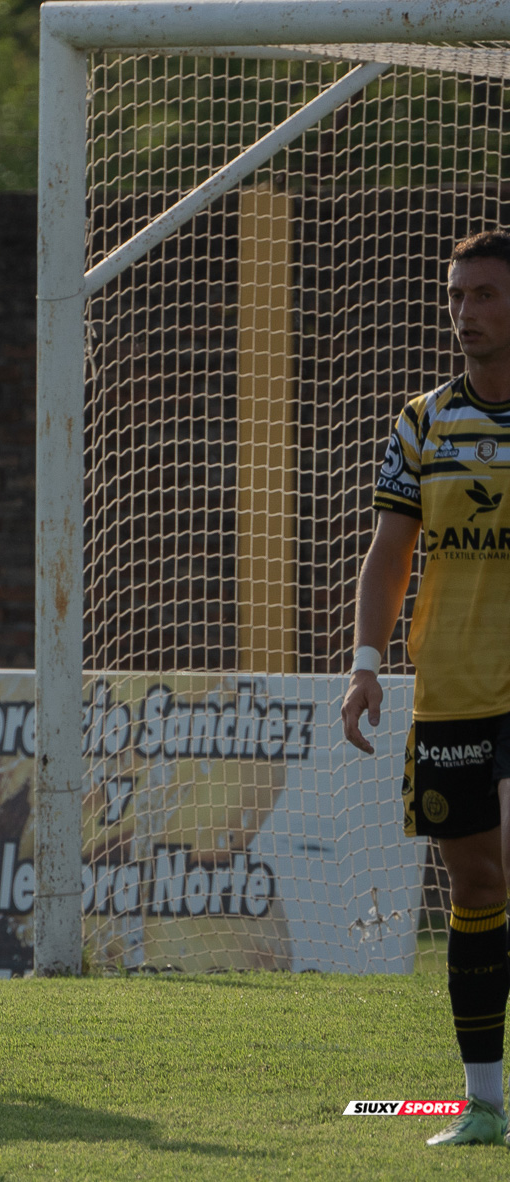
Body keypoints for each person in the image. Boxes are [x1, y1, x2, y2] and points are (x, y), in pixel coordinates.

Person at [344, 230, 510, 1147]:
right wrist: (366, 668)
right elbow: (390, 555)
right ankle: (483, 1104)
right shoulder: (423, 422)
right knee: (477, 890)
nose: (465, 313)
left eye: (483, 295)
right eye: (456, 297)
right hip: (449, 694)